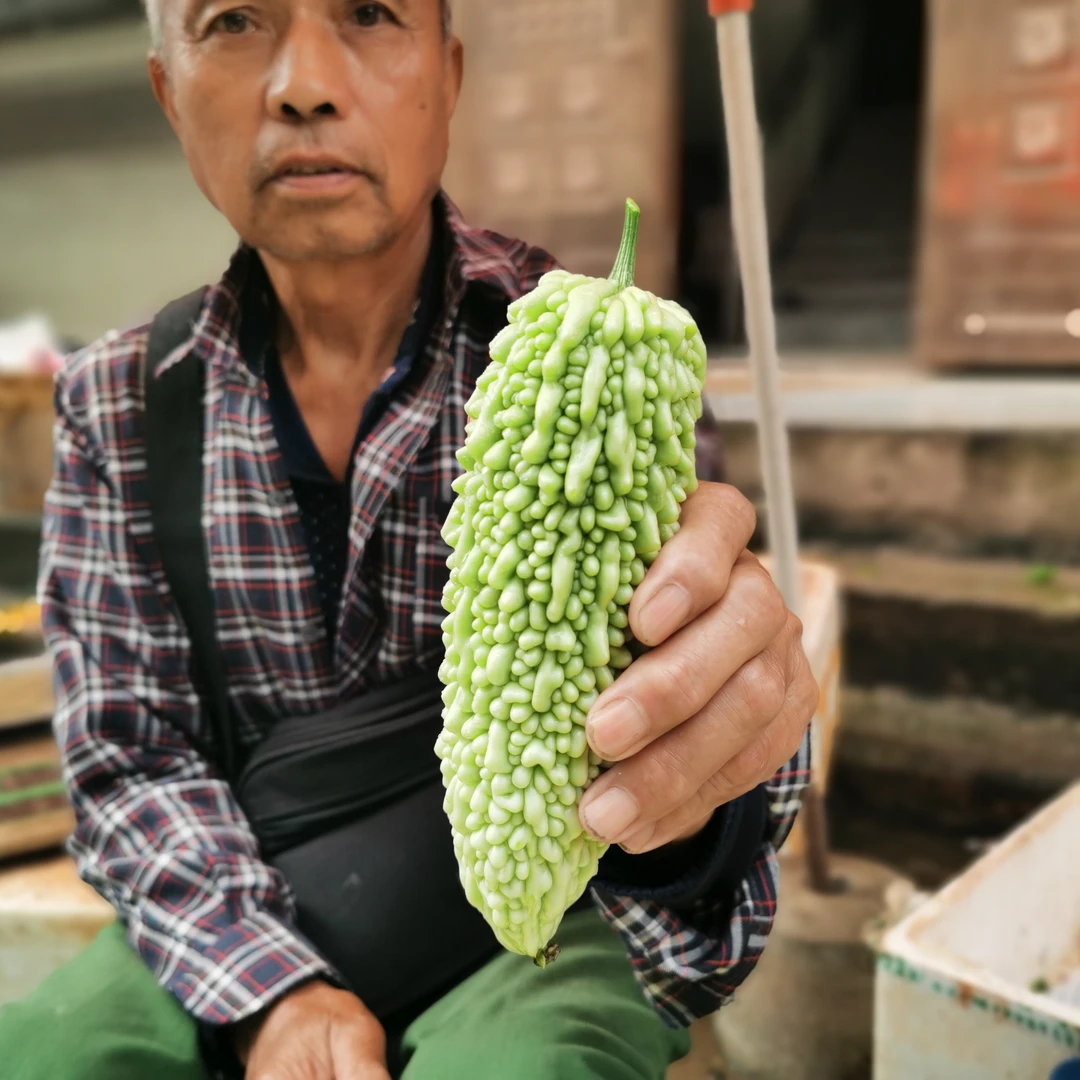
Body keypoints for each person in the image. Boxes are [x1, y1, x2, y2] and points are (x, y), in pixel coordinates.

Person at [0, 1, 816, 1077]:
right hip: (238, 882)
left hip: (548, 914)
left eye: (370, 11)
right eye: (235, 18)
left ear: (449, 72)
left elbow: (691, 697)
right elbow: (129, 757)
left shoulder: (585, 352)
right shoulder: (114, 400)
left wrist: (715, 775)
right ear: (167, 91)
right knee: (51, 1055)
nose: (304, 83)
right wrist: (272, 990)